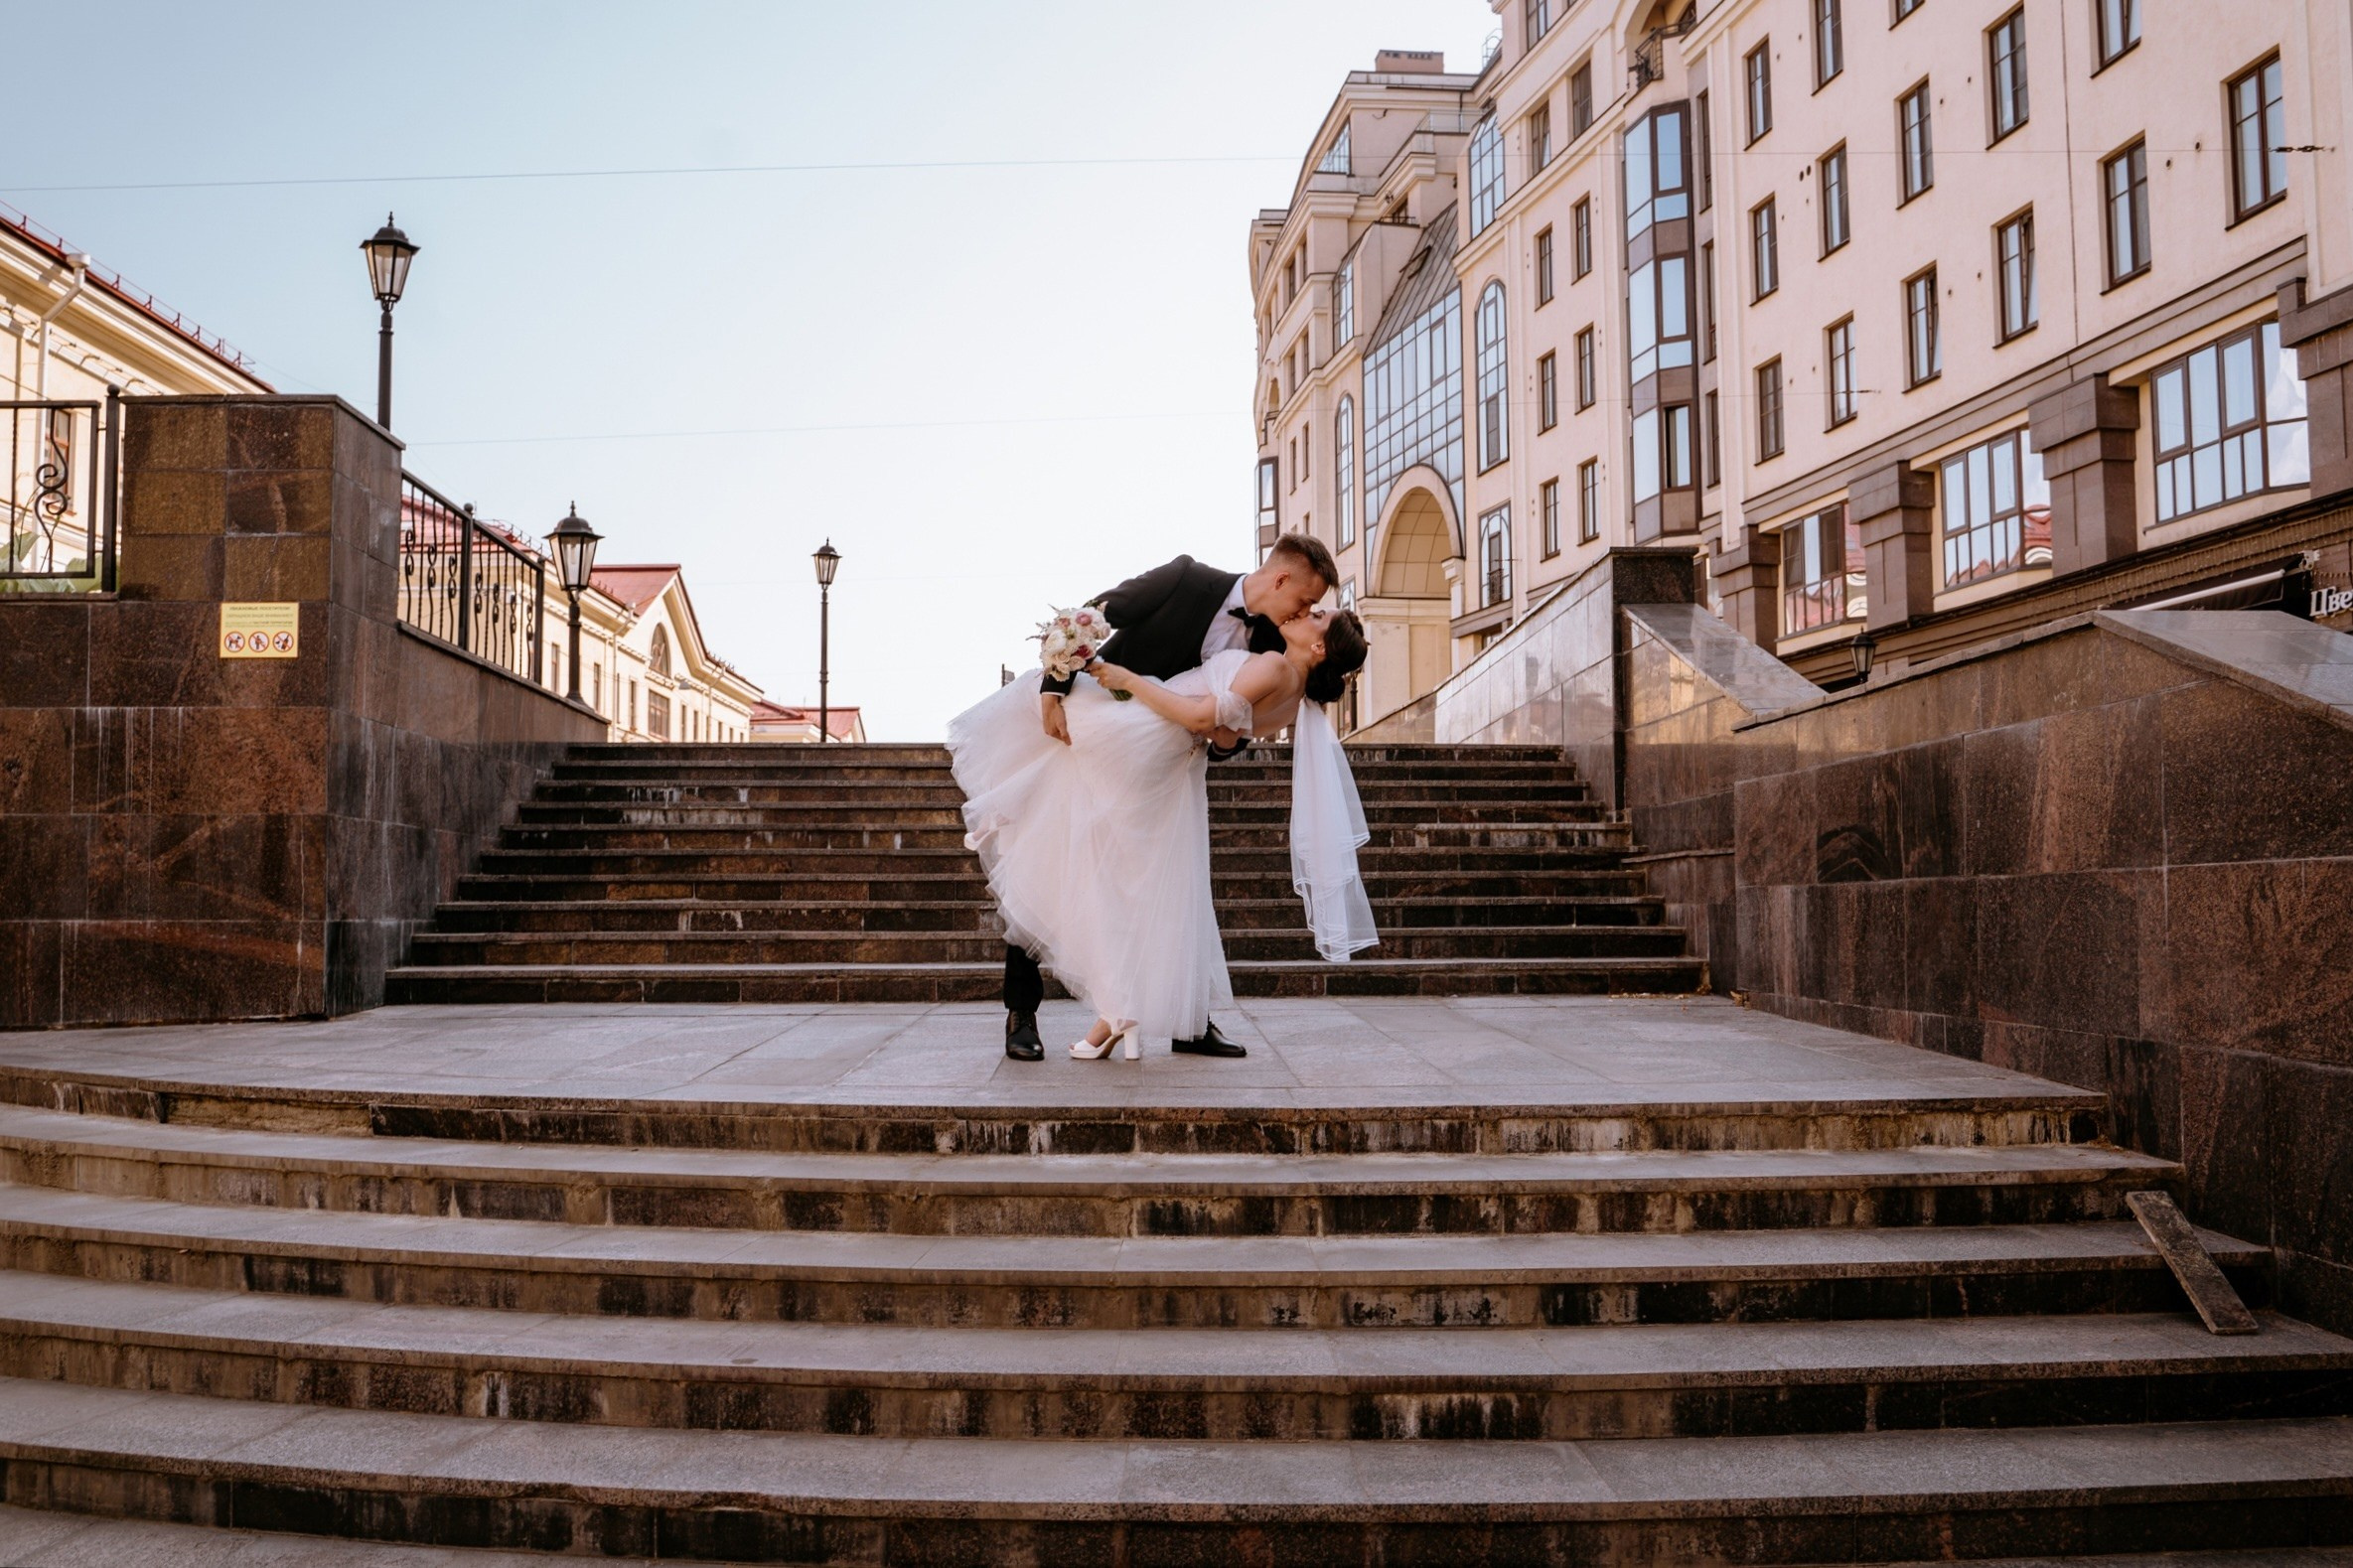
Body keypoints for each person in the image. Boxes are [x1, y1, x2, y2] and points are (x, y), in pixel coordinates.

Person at [945, 534, 1373, 1063]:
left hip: (1161, 761)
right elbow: (1093, 615)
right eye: (1306, 602)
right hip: (1110, 722)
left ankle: (1182, 1019)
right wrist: (1054, 687)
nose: (1305, 611)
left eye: (1313, 612)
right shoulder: (1187, 579)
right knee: (1050, 854)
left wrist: (1210, 741)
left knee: (1159, 884)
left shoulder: (1273, 642)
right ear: (1282, 580)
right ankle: (1023, 1014)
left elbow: (1227, 727)